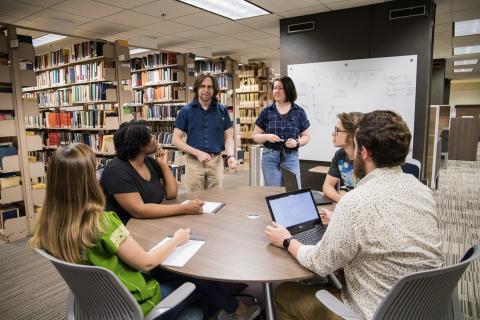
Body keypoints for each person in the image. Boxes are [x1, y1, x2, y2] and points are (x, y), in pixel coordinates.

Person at [31, 143, 261, 320]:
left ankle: (231, 306)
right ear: (86, 181)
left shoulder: (47, 223)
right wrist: (177, 240)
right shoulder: (102, 222)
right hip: (137, 304)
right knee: (195, 280)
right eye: (94, 171)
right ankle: (237, 310)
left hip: (102, 301)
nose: (98, 175)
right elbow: (147, 263)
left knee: (181, 275)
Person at [265, 111, 444, 320]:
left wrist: (287, 240)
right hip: (426, 306)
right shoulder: (422, 190)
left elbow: (319, 263)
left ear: (364, 153)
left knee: (284, 293)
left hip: (373, 312)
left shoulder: (355, 202)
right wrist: (341, 222)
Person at [100, 120, 204, 225]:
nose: (155, 139)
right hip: (126, 229)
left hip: (152, 222)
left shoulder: (149, 162)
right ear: (139, 145)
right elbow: (138, 210)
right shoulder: (116, 171)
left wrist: (164, 165)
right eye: (151, 136)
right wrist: (184, 208)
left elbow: (172, 194)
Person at [172, 73, 237, 192]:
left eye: (209, 87)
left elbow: (228, 138)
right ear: (197, 89)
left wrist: (230, 155)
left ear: (214, 89)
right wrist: (197, 153)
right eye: (202, 86)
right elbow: (175, 140)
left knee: (215, 198)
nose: (206, 90)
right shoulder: (186, 111)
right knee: (195, 201)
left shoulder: (222, 111)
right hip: (194, 163)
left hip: (216, 162)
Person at [252, 76, 310, 186]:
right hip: (270, 158)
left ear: (288, 89)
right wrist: (267, 136)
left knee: (294, 191)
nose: (276, 91)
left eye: (280, 88)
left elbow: (306, 136)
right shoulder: (267, 111)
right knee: (274, 193)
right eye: (275, 88)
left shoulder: (299, 111)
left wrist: (297, 142)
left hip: (291, 157)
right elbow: (255, 136)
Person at [322, 112, 363, 202]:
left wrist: (347, 199)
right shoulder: (340, 154)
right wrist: (342, 199)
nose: (333, 133)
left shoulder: (368, 159)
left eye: (337, 130)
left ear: (353, 135)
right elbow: (327, 186)